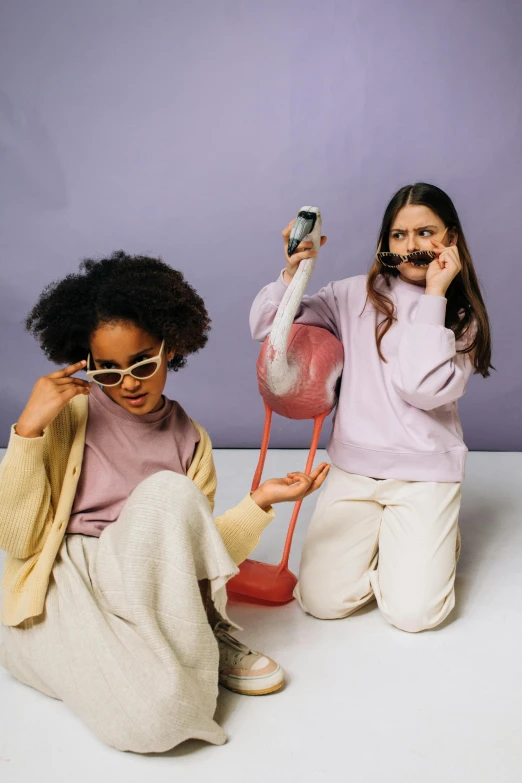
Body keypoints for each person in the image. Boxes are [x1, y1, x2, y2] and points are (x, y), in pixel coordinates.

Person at [0, 251, 329, 753]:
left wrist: (259, 501)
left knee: (170, 495)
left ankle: (191, 635)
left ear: (170, 347)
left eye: (141, 363)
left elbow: (196, 553)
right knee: (154, 723)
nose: (128, 383)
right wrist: (28, 430)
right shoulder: (68, 416)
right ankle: (156, 648)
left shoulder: (190, 440)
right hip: (67, 581)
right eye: (106, 371)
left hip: (144, 580)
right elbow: (16, 539)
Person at [250, 183, 492, 633]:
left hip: (425, 477)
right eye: (399, 235)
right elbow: (267, 326)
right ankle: (402, 550)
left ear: (451, 239)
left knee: (414, 615)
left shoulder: (461, 317)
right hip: (354, 472)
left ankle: (427, 549)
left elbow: (420, 388)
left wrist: (436, 294)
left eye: (426, 233)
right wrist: (293, 271)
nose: (413, 245)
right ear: (385, 245)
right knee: (320, 602)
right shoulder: (351, 295)